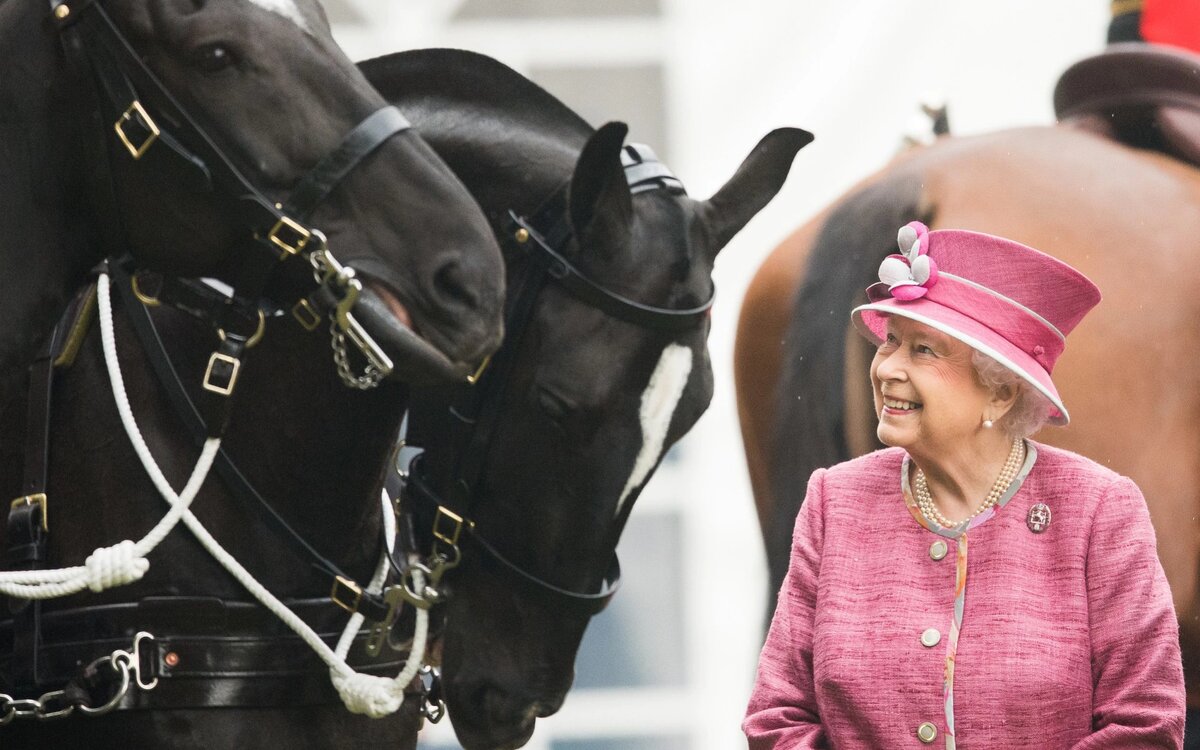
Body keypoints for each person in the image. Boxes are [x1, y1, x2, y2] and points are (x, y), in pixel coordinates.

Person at [743, 222, 1185, 748]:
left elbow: (1145, 725)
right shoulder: (834, 501)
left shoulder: (1099, 510)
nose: (887, 369)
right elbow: (777, 717)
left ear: (999, 394)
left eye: (924, 350)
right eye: (890, 343)